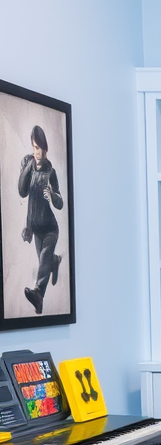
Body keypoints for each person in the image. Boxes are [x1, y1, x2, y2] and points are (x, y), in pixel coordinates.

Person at [17, 124, 63, 314]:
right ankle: (55, 261)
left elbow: (60, 203)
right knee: (45, 262)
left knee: (42, 259)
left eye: (42, 148)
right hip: (36, 228)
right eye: (36, 147)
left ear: (46, 149)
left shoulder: (50, 172)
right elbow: (22, 191)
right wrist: (28, 227)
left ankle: (38, 295)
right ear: (32, 146)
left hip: (51, 228)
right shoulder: (29, 166)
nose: (39, 152)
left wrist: (52, 195)